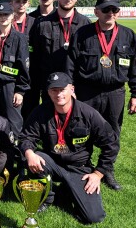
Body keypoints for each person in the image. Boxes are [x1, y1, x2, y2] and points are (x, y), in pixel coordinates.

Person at [66, 0, 136, 190]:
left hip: (115, 93)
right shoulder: (83, 34)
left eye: (114, 10)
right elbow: (70, 64)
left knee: (112, 134)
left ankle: (106, 170)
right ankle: (81, 167)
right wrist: (69, 87)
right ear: (96, 12)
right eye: (106, 9)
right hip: (87, 92)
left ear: (118, 12)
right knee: (82, 131)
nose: (110, 13)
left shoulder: (129, 35)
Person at [18, 72, 118, 224]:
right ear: (48, 92)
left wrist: (98, 174)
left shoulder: (88, 114)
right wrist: (29, 153)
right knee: (34, 157)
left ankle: (67, 190)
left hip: (79, 168)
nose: (58, 94)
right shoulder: (41, 111)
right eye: (54, 90)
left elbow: (111, 144)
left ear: (71, 89)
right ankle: (47, 197)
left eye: (62, 89)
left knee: (93, 217)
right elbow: (26, 137)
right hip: (52, 163)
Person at [28, 0, 91, 106]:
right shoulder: (42, 24)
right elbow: (34, 58)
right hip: (50, 86)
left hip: (77, 86)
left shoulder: (86, 24)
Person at [0, 2, 30, 136]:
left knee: (13, 121)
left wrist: (20, 90)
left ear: (13, 16)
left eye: (6, 15)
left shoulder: (20, 38)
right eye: (0, 15)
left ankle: (16, 152)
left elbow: (24, 66)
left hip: (9, 86)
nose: (3, 18)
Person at [23, 0, 57, 120]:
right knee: (30, 105)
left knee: (51, 105)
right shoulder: (30, 18)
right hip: (32, 71)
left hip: (51, 70)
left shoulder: (58, 17)